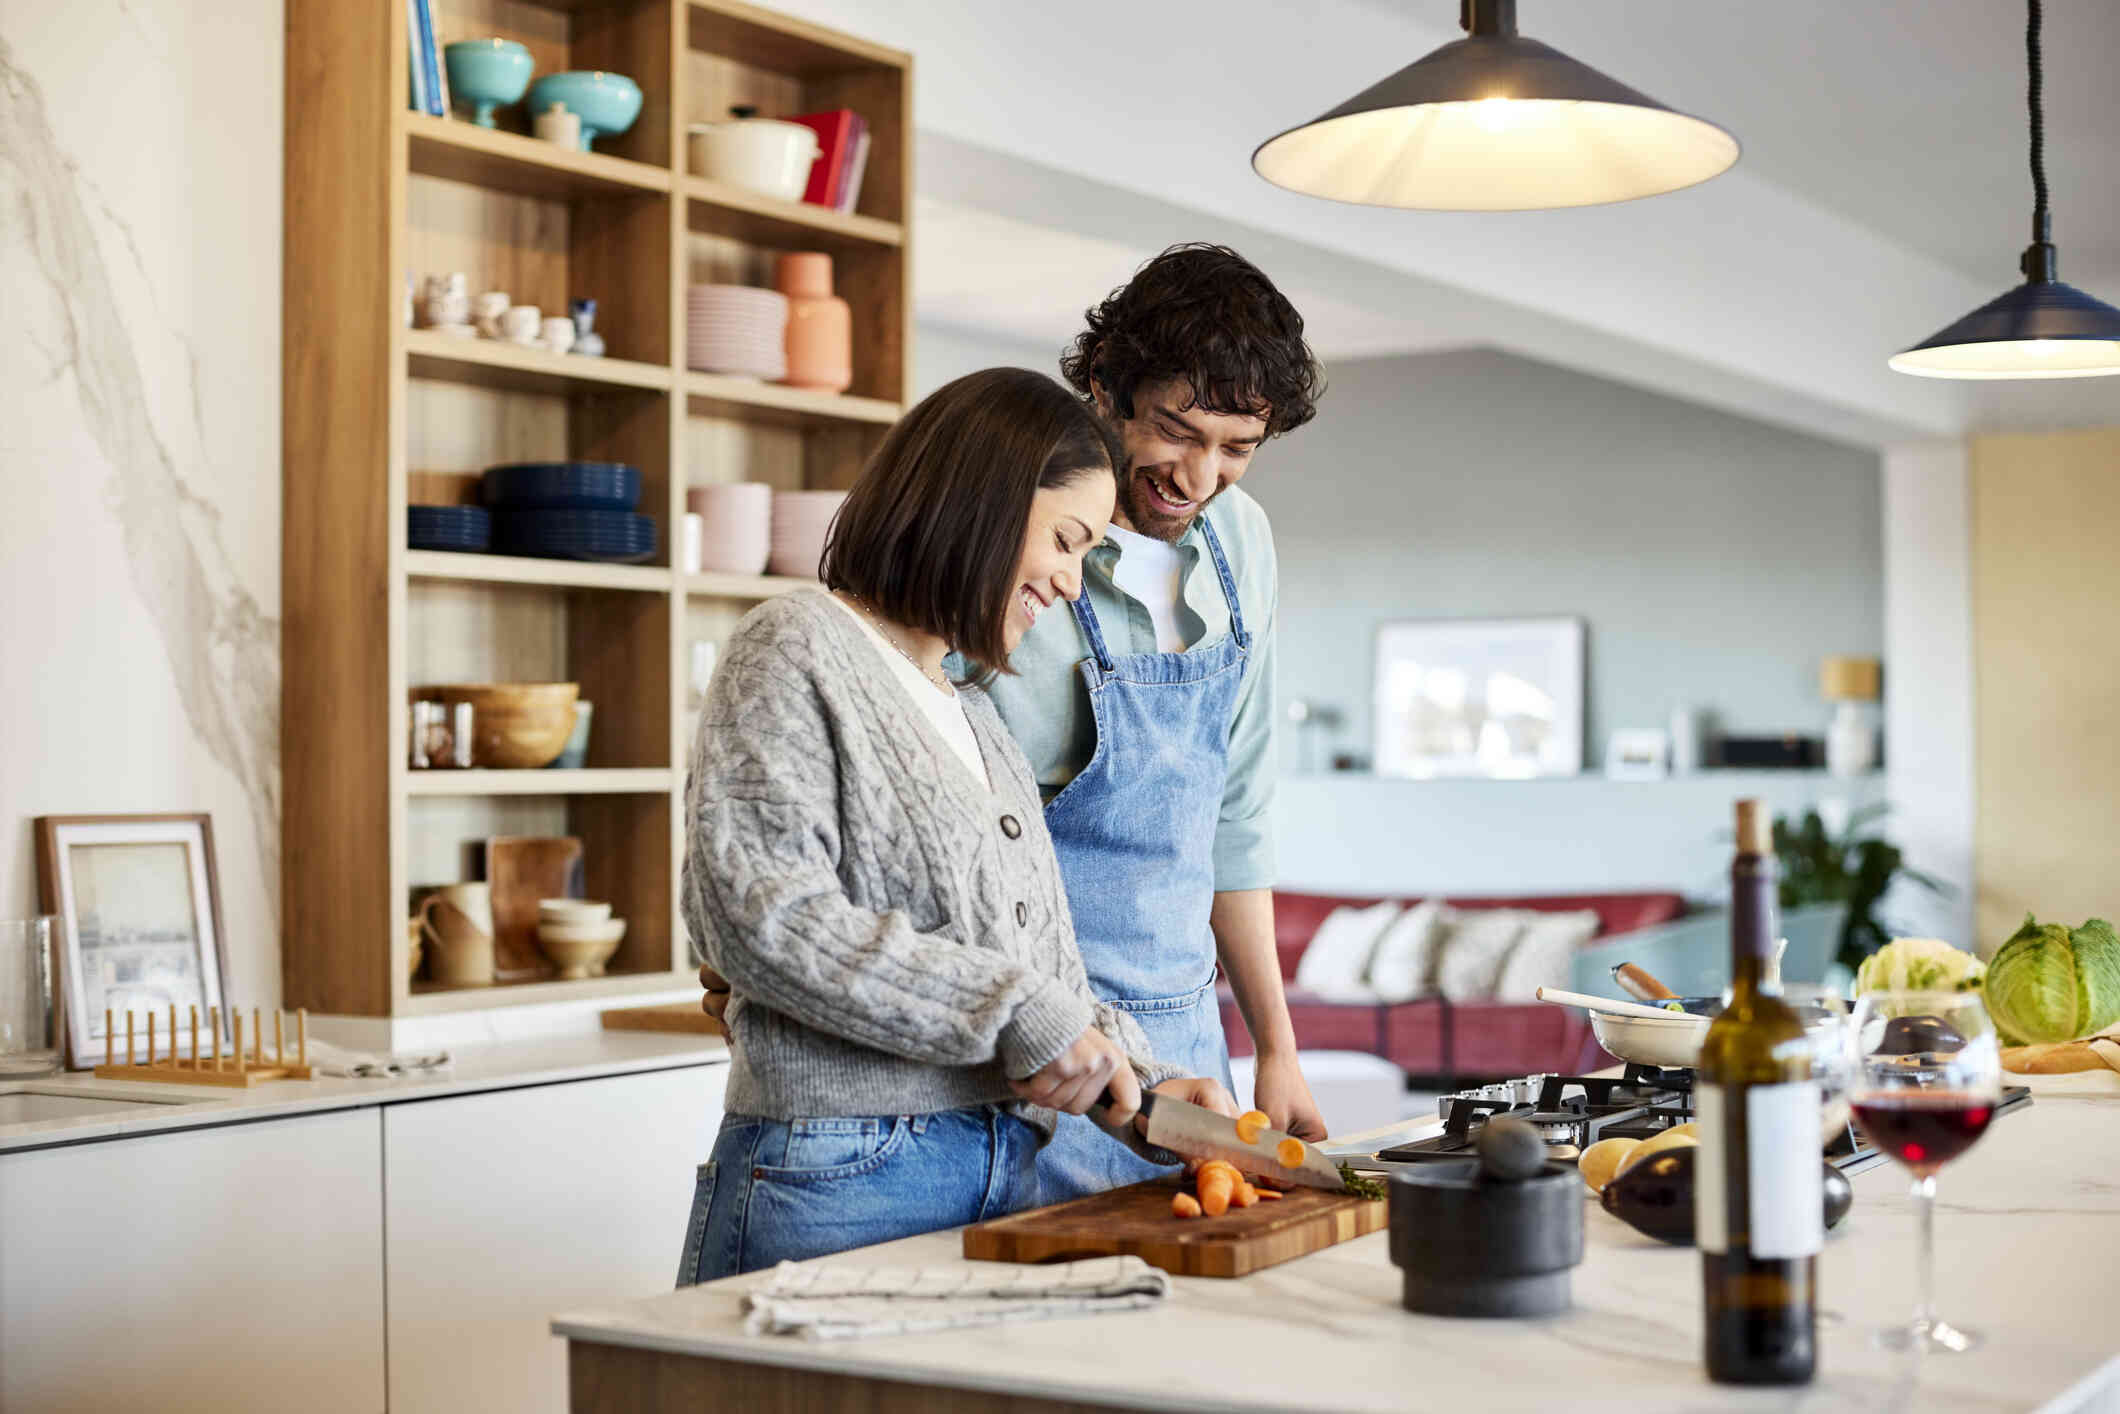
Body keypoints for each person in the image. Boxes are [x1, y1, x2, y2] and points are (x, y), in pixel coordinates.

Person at [676, 367, 1233, 1285]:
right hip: (842, 1172)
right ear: (982, 500)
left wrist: (1147, 1085)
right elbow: (757, 916)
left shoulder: (975, 716)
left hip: (1005, 1166)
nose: (1067, 581)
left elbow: (1037, 972)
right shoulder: (795, 645)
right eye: (1065, 540)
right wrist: (1019, 1014)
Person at [994, 243, 1328, 1202]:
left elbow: (1237, 814)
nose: (1200, 476)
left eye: (1237, 448)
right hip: (1039, 1048)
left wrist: (1276, 1048)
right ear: (1105, 385)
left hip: (1185, 1050)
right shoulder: (1017, 535)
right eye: (1177, 432)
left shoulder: (1243, 539)